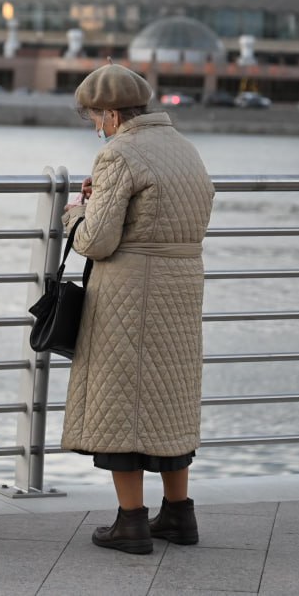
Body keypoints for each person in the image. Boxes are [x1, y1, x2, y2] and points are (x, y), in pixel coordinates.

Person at [61, 63, 214, 554]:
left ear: (111, 114)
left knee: (120, 402)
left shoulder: (119, 153)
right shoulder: (183, 148)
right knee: (169, 399)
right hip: (182, 286)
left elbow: (97, 241)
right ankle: (179, 515)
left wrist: (75, 214)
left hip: (129, 291)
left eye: (95, 118)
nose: (96, 127)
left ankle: (131, 522)